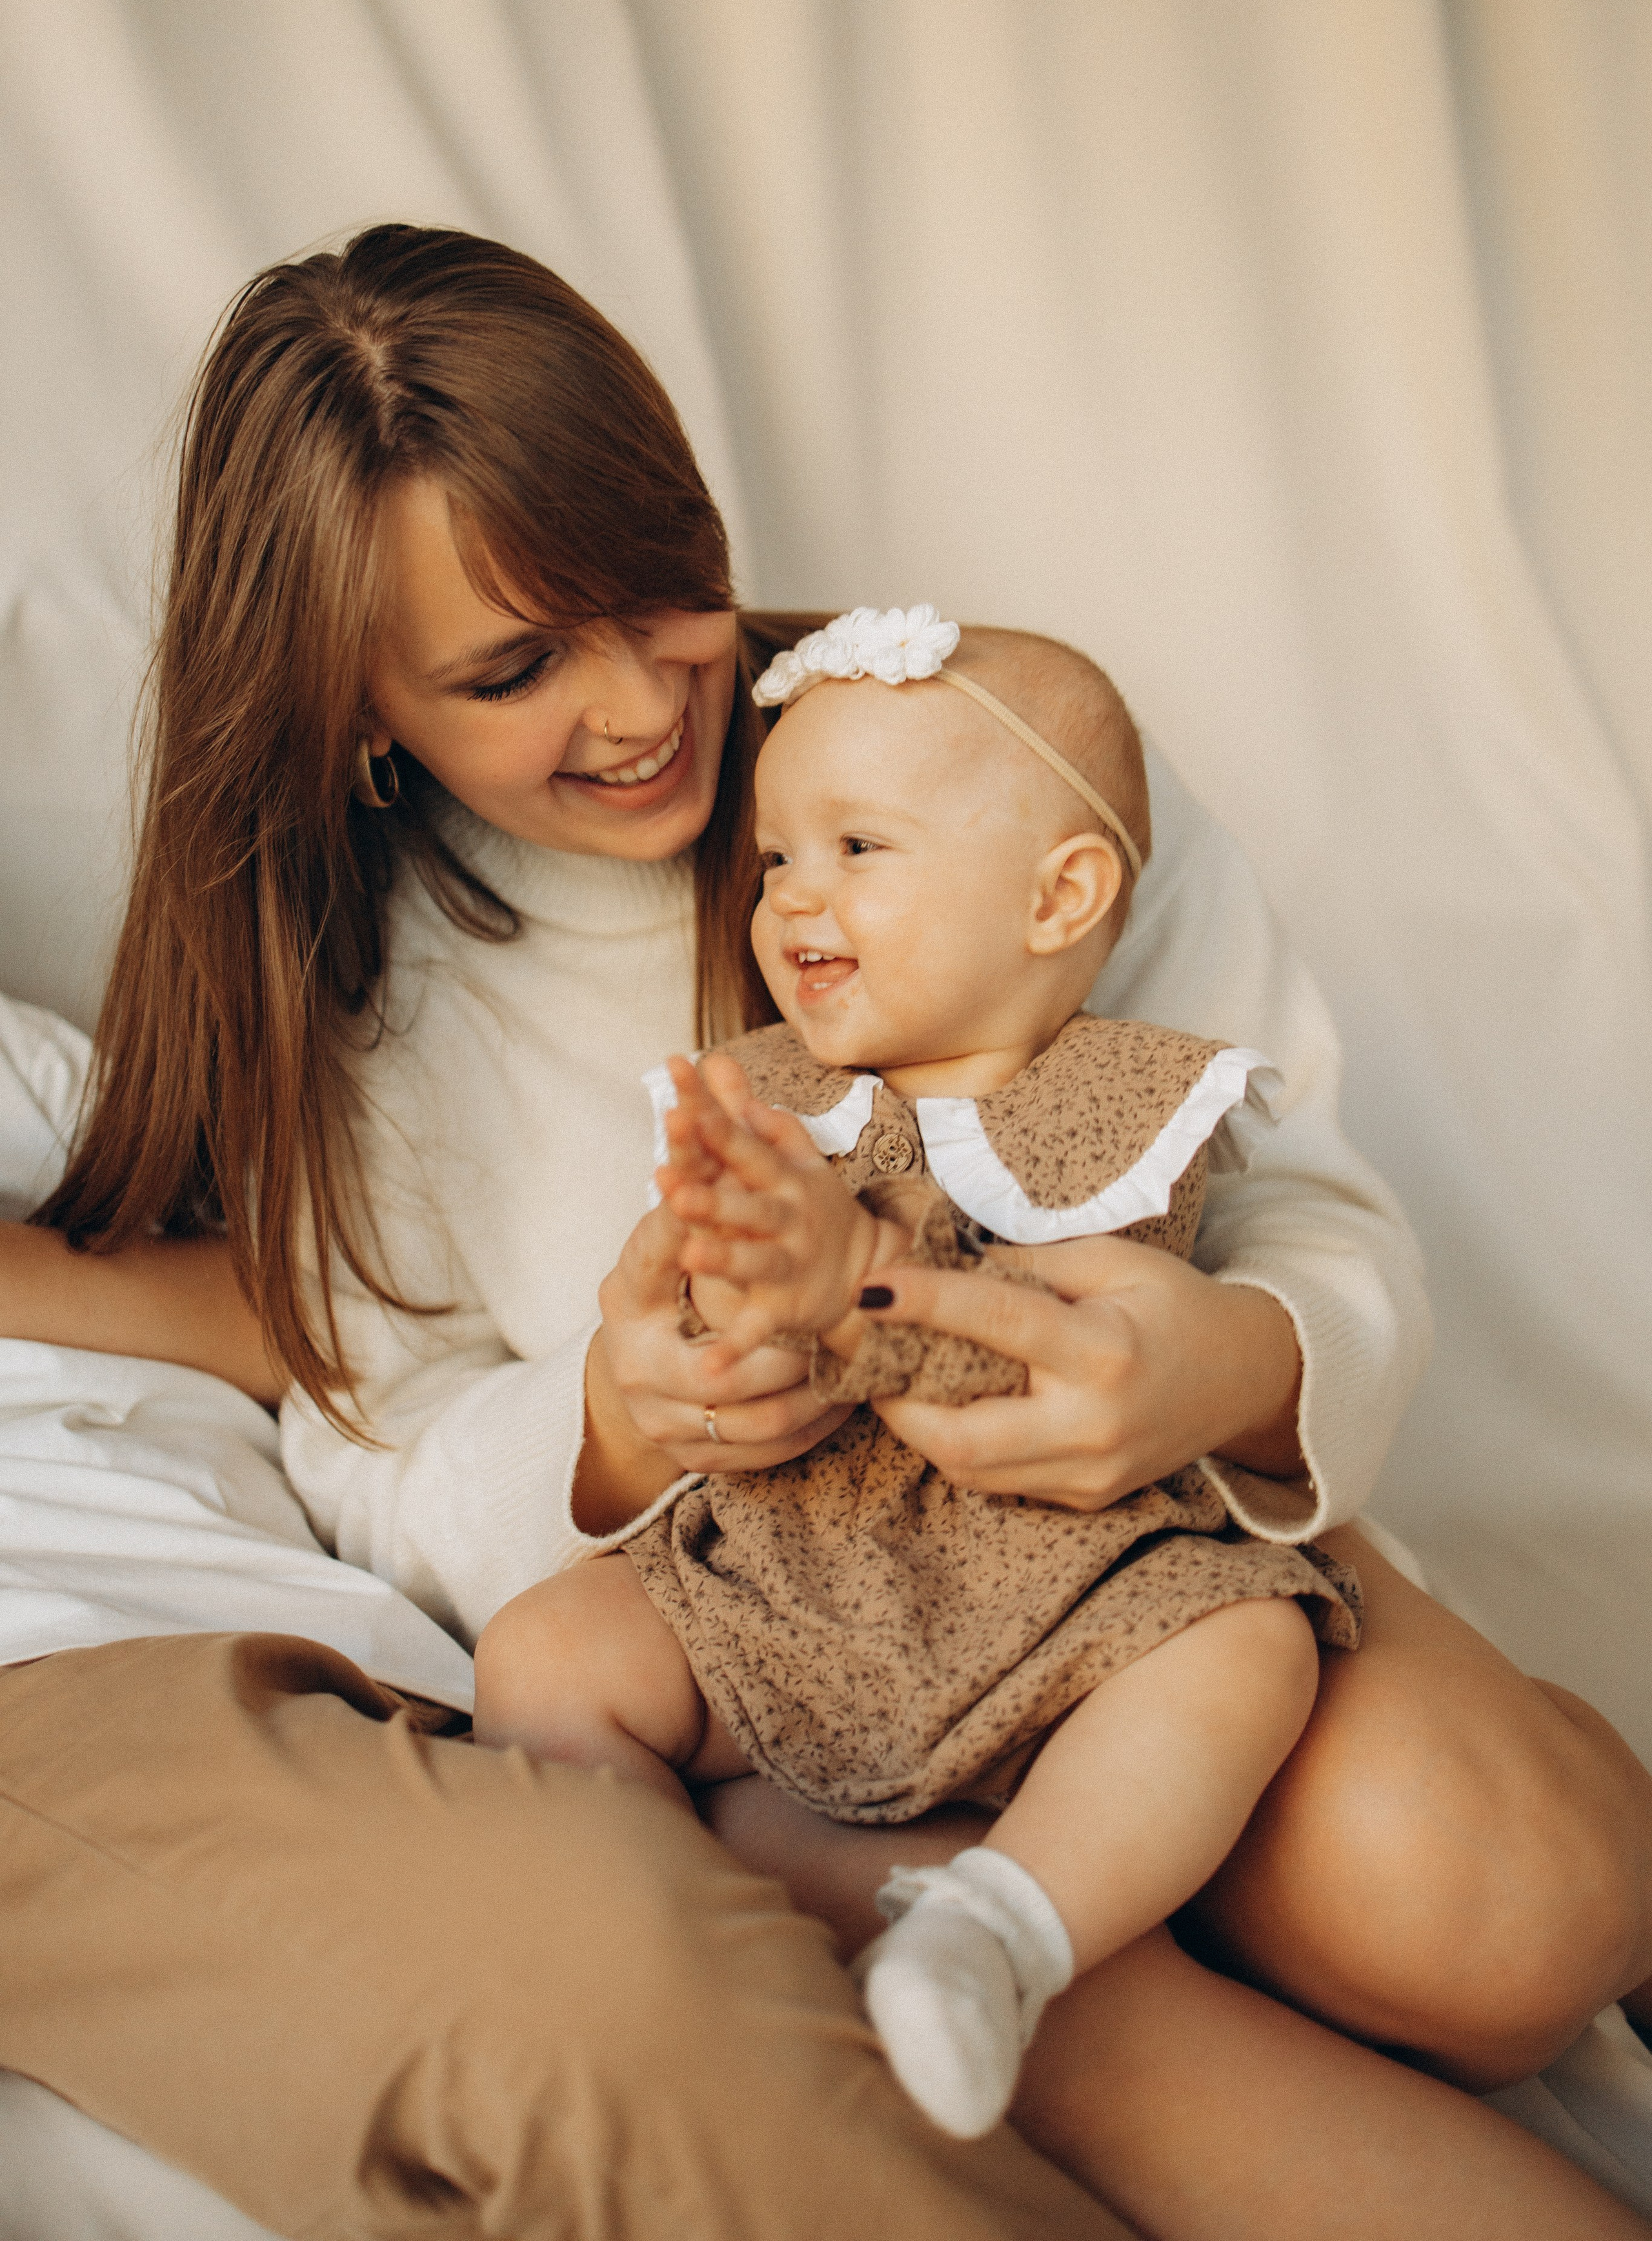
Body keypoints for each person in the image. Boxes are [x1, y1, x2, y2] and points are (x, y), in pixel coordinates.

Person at [0, 222, 1647, 2241]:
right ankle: (966, 1928)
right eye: (517, 670)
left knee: (1522, 1911)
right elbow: (364, 1437)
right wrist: (614, 1421)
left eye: (663, 585)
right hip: (768, 1634)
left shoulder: (979, 745)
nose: (637, 704)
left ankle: (1015, 1888)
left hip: (1119, 1548)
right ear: (355, 705)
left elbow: (1280, 1163)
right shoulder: (349, 1015)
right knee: (1073, 2017)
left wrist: (1233, 1363)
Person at [472, 611, 1364, 2141]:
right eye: (772, 863)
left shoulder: (1126, 1109)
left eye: (855, 849)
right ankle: (647, 1951)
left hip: (1064, 1595)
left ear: (1057, 898)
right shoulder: (765, 1098)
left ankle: (1001, 1932)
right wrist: (704, 1324)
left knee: (1248, 1653)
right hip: (785, 1580)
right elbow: (683, 1328)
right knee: (546, 1654)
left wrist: (854, 1287)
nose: (790, 899)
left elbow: (1058, 1339)